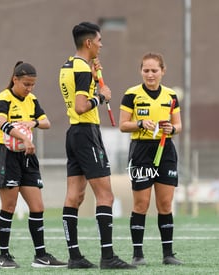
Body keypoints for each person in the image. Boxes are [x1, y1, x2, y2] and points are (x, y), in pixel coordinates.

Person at [59, 22, 135, 270]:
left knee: (75, 196)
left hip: (73, 133)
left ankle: (74, 256)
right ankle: (108, 256)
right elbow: (81, 106)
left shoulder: (68, 65)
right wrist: (102, 97)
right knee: (106, 195)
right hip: (86, 131)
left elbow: (76, 95)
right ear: (89, 42)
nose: (102, 45)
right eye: (100, 40)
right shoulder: (81, 68)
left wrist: (94, 79)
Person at [0, 61, 66, 269]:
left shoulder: (32, 100)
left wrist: (32, 123)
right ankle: (3, 256)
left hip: (27, 155)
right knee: (9, 206)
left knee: (37, 206)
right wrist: (23, 138)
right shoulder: (3, 97)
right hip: (6, 155)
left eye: (33, 84)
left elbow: (46, 122)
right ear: (15, 79)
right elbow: (1, 122)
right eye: (26, 84)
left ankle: (41, 256)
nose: (29, 88)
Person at [119, 52, 183, 266]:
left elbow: (178, 126)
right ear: (141, 71)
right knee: (142, 204)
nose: (150, 74)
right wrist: (139, 123)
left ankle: (168, 254)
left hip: (165, 150)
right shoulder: (132, 94)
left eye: (154, 70)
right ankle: (138, 254)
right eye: (146, 70)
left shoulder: (171, 96)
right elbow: (122, 125)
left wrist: (171, 128)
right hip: (141, 151)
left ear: (162, 71)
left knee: (165, 204)